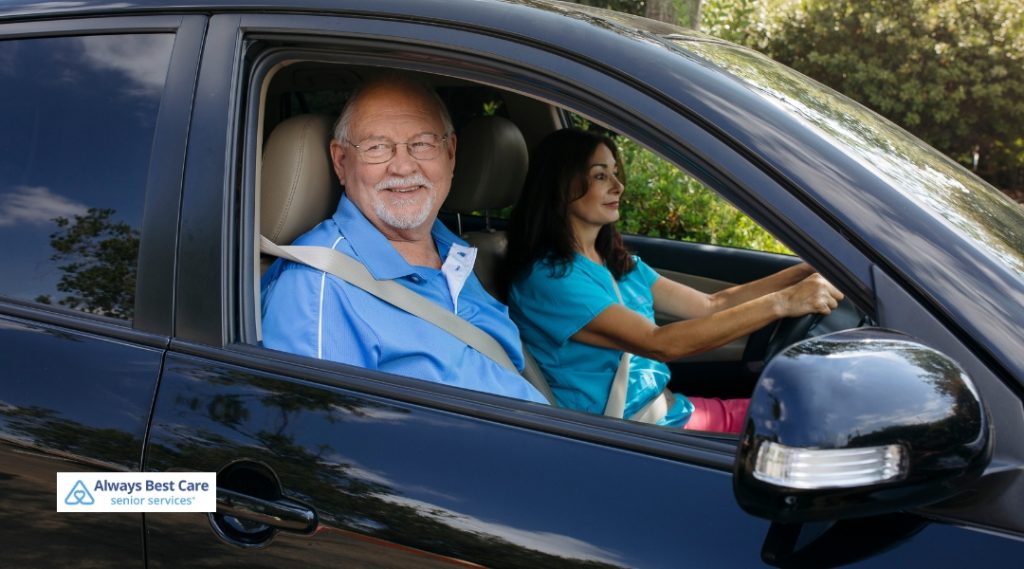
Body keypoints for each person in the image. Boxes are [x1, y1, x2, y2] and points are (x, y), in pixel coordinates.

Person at [501, 129, 844, 432]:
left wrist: (801, 272)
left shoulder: (620, 264)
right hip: (626, 434)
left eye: (615, 174)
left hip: (669, 411)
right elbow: (659, 342)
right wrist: (783, 303)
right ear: (561, 186)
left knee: (807, 412)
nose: (618, 186)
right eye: (600, 176)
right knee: (801, 423)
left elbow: (713, 305)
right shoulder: (549, 280)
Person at [261, 74, 547, 404]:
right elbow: (323, 443)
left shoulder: (457, 255)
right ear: (341, 162)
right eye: (377, 147)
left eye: (422, 143)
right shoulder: (317, 289)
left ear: (450, 154)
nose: (402, 165)